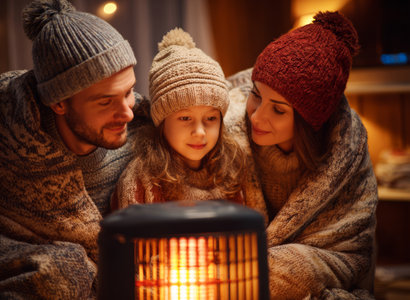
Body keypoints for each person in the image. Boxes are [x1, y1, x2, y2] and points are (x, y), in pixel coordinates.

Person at [0, 0, 148, 298]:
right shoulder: (0, 150)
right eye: (105, 101)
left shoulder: (143, 135)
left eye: (128, 92)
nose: (127, 112)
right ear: (59, 103)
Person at [225, 11, 378, 299]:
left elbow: (351, 253)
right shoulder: (224, 130)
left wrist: (270, 269)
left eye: (278, 110)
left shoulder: (347, 154)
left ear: (310, 122)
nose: (257, 117)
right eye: (255, 95)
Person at [112, 28, 262, 210]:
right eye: (185, 118)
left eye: (211, 118)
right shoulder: (141, 179)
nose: (199, 132)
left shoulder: (235, 169)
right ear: (161, 121)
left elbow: (253, 225)